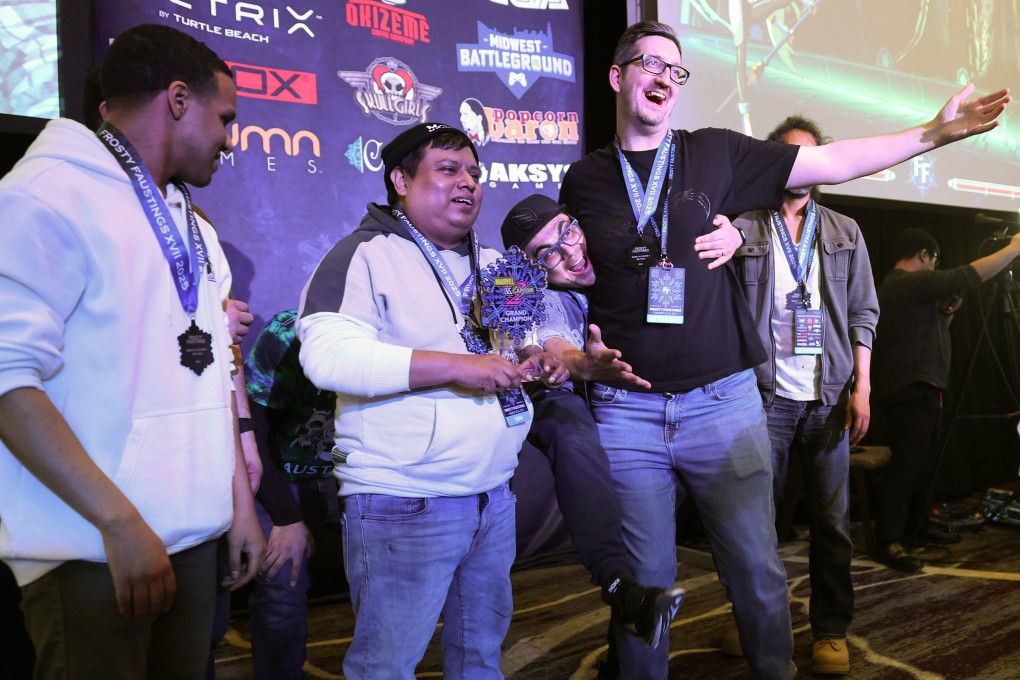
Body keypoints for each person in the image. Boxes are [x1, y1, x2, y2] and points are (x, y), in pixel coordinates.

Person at [559, 19, 1009, 680]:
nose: (662, 76)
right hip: (629, 414)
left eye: (674, 69)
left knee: (757, 572)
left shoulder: (713, 153)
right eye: (648, 62)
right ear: (616, 76)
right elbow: (564, 280)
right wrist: (572, 354)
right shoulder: (584, 182)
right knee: (643, 586)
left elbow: (831, 161)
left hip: (724, 402)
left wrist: (932, 134)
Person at [0, 23, 265, 680]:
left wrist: (236, 508)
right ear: (179, 99)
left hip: (193, 540)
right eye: (223, 118)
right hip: (94, 552)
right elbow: (7, 381)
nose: (229, 141)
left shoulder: (192, 224)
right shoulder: (41, 196)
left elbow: (210, 374)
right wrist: (119, 522)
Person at [297, 122, 556, 679]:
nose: (468, 183)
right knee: (386, 668)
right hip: (404, 501)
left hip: (492, 495)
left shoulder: (492, 263)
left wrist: (540, 359)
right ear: (400, 180)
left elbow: (517, 340)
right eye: (448, 170)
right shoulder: (363, 254)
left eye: (475, 173)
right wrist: (460, 368)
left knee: (481, 659)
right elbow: (327, 357)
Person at [501, 193, 687, 650]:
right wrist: (578, 363)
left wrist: (734, 231)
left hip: (649, 410)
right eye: (548, 253)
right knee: (568, 423)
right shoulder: (537, 294)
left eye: (568, 232)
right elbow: (550, 342)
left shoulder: (624, 253)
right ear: (531, 268)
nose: (569, 252)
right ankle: (618, 585)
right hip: (557, 402)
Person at [732, 116, 879, 675]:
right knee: (753, 525)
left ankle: (831, 630)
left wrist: (862, 385)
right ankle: (753, 619)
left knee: (831, 522)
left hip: (828, 395)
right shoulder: (744, 227)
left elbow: (865, 312)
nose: (801, 168)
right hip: (760, 396)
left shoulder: (844, 230)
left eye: (811, 157)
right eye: (789, 157)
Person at [871, 228, 1020, 572]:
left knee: (923, 465)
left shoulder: (912, 292)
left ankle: (917, 529)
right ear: (924, 255)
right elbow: (967, 275)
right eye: (935, 261)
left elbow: (939, 324)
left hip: (923, 385)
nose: (936, 267)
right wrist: (1013, 249)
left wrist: (949, 310)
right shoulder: (903, 282)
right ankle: (888, 540)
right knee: (907, 466)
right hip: (909, 386)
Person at [241, 308, 339, 679]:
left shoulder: (397, 328)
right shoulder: (288, 333)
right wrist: (286, 517)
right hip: (286, 477)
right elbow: (255, 431)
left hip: (361, 479)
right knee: (282, 577)